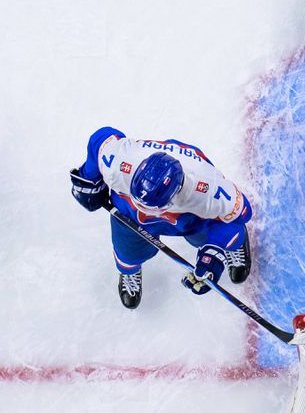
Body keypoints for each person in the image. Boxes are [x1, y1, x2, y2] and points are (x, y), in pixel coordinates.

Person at [68, 128, 253, 309]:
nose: (143, 208)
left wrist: (214, 250)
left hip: (189, 216)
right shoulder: (119, 163)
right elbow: (100, 138)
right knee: (128, 250)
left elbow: (241, 216)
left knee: (212, 237)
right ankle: (129, 270)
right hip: (128, 212)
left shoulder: (208, 191)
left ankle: (230, 246)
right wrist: (89, 177)